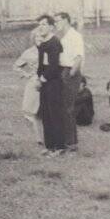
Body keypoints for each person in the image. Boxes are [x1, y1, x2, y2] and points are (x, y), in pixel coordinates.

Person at [54, 12, 85, 151]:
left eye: (58, 21)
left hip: (69, 72)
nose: (56, 24)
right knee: (62, 107)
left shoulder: (75, 36)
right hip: (62, 70)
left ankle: (71, 143)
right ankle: (65, 140)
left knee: (68, 108)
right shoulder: (63, 37)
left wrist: (70, 74)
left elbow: (78, 57)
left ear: (66, 20)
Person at [35, 15, 66, 156]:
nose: (40, 27)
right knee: (46, 114)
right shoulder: (43, 43)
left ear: (51, 27)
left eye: (44, 24)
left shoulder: (54, 43)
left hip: (53, 83)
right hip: (44, 83)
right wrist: (39, 78)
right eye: (39, 24)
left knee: (55, 114)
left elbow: (53, 67)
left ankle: (59, 147)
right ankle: (50, 146)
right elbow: (42, 64)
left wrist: (41, 79)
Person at [12, 28, 44, 146]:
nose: (40, 39)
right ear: (33, 39)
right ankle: (39, 138)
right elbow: (16, 66)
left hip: (49, 83)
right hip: (34, 83)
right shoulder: (29, 53)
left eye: (42, 36)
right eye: (37, 37)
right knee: (32, 111)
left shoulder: (51, 50)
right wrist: (26, 74)